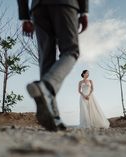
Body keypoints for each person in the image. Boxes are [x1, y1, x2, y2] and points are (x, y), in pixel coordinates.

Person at [17, 0, 89, 131]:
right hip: (66, 4)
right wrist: (84, 11)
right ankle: (47, 86)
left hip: (38, 8)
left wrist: (24, 17)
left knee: (46, 59)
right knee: (71, 50)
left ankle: (53, 117)